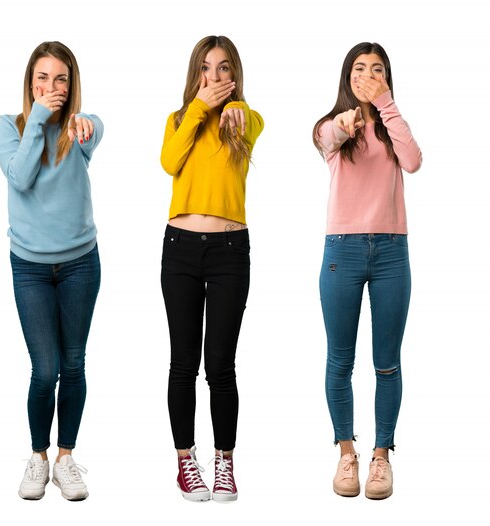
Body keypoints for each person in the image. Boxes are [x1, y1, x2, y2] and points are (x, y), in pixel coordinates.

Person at [312, 42, 422, 500]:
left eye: (377, 69)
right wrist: (346, 122)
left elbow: (413, 161)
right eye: (360, 68)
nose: (368, 75)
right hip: (343, 250)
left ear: (387, 78)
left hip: (392, 251)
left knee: (387, 364)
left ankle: (381, 456)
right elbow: (328, 139)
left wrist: (385, 105)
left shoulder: (393, 125)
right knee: (340, 360)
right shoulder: (329, 125)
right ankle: (345, 453)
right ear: (347, 76)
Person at [0, 41, 103, 501]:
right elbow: (19, 177)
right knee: (46, 368)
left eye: (61, 78)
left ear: (71, 84)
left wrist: (85, 123)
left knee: (74, 364)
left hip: (81, 263)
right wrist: (39, 116)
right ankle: (37, 457)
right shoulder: (10, 127)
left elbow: (96, 127)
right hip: (31, 269)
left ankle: (65, 459)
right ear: (30, 82)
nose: (51, 87)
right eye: (43, 77)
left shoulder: (81, 128)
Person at [160, 35, 263, 502]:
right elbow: (169, 162)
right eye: (207, 68)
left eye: (224, 68)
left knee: (221, 365)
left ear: (235, 74)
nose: (215, 77)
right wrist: (199, 107)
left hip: (228, 252)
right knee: (183, 362)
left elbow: (244, 126)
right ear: (196, 74)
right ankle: (186, 462)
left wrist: (230, 112)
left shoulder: (247, 119)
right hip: (180, 247)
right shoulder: (179, 120)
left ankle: (224, 462)